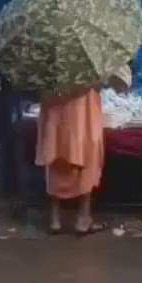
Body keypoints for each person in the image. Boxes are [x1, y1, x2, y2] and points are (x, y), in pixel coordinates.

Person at [36, 86, 105, 236]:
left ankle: (55, 219)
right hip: (83, 100)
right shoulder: (88, 65)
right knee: (87, 154)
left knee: (55, 151)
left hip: (54, 96)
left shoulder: (48, 64)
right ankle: (83, 218)